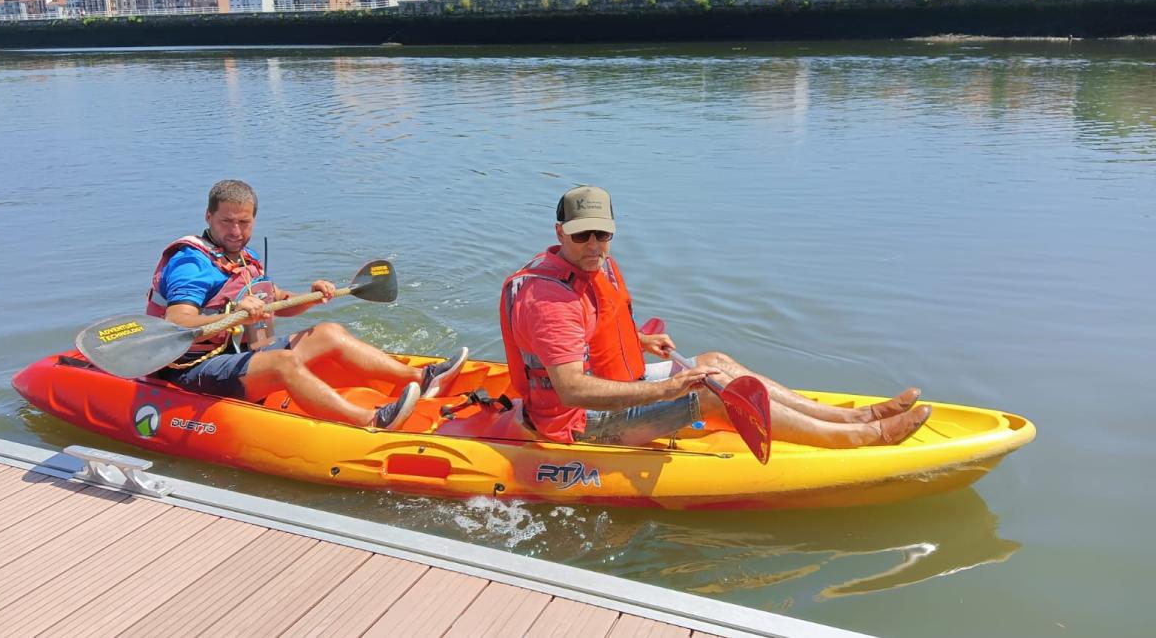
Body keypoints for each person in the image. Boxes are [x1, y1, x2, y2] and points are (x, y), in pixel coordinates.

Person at [499, 185, 931, 448]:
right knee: (709, 394)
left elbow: (599, 326)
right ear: (560, 233)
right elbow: (572, 390)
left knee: (715, 362)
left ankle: (855, 416)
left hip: (621, 384)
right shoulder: (548, 301)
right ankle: (863, 437)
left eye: (603, 233)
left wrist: (640, 341)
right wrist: (667, 389)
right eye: (582, 235)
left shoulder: (596, 267)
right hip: (576, 423)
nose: (594, 244)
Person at [148, 179, 467, 430]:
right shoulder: (191, 264)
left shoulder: (246, 257)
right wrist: (232, 315)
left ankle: (422, 379)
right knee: (282, 362)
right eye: (227, 222)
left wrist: (312, 296)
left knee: (329, 332)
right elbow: (179, 324)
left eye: (244, 222)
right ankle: (370, 421)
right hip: (191, 370)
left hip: (236, 354)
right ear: (208, 216)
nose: (235, 231)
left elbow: (277, 302)